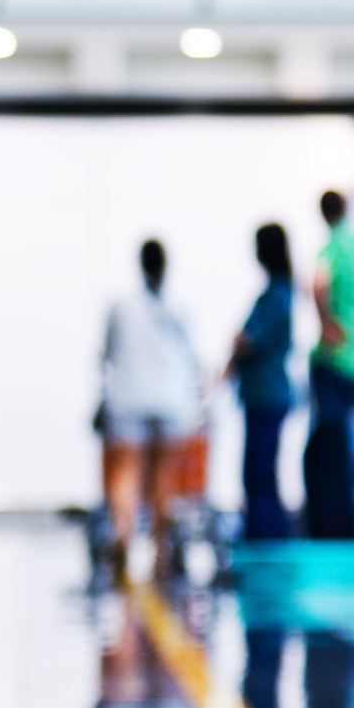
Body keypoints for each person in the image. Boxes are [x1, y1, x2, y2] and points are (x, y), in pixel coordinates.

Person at [99, 239, 202, 580]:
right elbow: (192, 356)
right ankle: (161, 547)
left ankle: (124, 537)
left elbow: (107, 354)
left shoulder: (121, 306)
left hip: (129, 395)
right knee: (162, 473)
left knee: (127, 471)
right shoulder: (181, 305)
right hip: (170, 399)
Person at [303, 190, 354, 539]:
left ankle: (333, 528)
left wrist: (325, 324)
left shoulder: (333, 247)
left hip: (336, 360)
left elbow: (318, 284)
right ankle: (345, 525)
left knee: (325, 456)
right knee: (339, 446)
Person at [228, 224, 294, 540]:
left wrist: (238, 345)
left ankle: (267, 538)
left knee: (260, 473)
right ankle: (261, 533)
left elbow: (249, 342)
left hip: (268, 396)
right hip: (260, 396)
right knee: (256, 473)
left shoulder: (279, 296)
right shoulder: (271, 294)